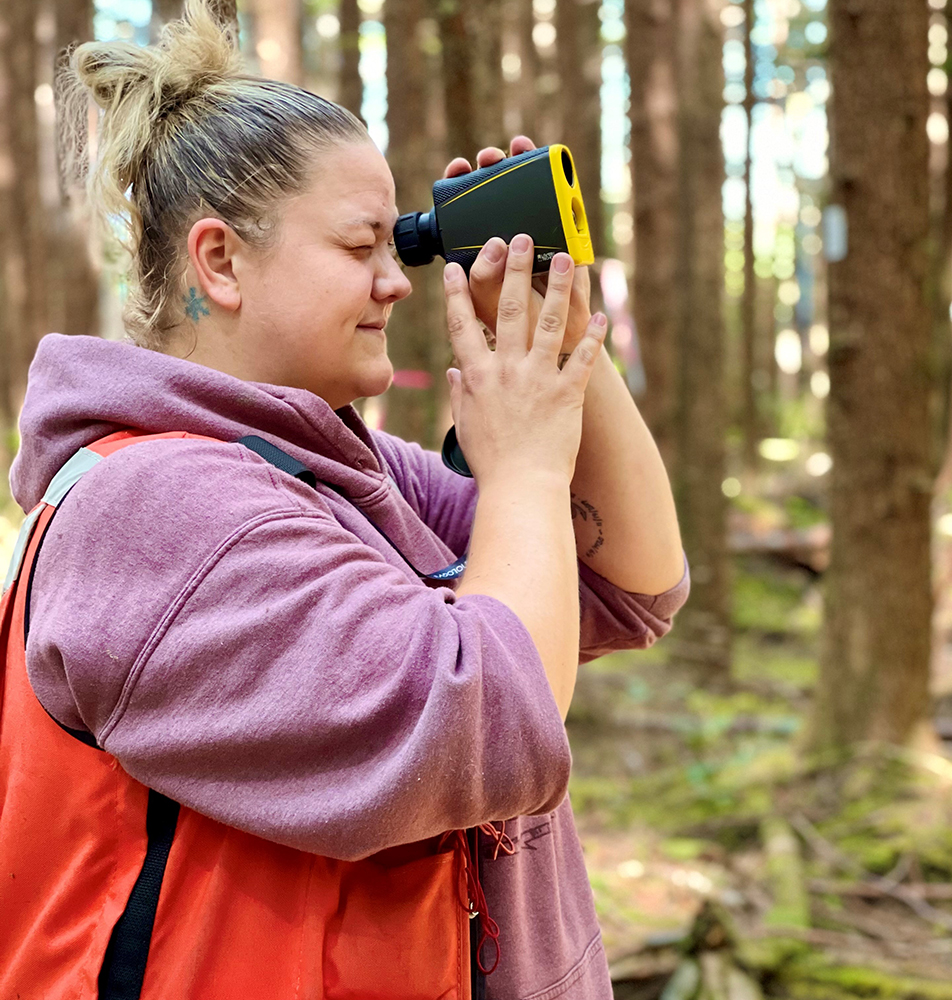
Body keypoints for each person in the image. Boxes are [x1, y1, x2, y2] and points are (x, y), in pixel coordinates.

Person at [0, 1, 689, 997]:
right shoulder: (154, 512)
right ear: (220, 261)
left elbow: (630, 581)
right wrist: (527, 466)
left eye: (395, 246)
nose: (395, 282)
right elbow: (483, 723)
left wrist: (559, 336)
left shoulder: (336, 469)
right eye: (360, 246)